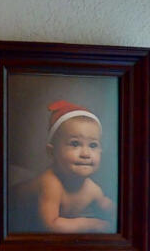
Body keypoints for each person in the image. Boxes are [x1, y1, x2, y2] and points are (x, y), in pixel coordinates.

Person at [26, 99, 116, 233]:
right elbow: (51, 224)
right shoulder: (51, 183)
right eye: (75, 144)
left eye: (93, 145)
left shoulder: (92, 189)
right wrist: (93, 224)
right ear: (52, 152)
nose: (86, 154)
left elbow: (109, 208)